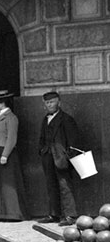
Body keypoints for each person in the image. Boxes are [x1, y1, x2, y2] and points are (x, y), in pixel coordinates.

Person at [0, 90, 28, 221]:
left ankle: (12, 213)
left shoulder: (11, 117)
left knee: (8, 183)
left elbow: (12, 138)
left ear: (2, 103)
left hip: (5, 151)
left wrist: (5, 154)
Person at [37, 91, 79, 226]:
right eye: (47, 103)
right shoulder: (45, 119)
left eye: (52, 102)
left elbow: (73, 140)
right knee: (51, 185)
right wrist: (42, 151)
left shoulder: (66, 119)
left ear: (59, 102)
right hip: (48, 156)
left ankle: (70, 215)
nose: (50, 105)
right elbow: (42, 138)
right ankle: (54, 214)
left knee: (65, 185)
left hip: (61, 158)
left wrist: (68, 157)